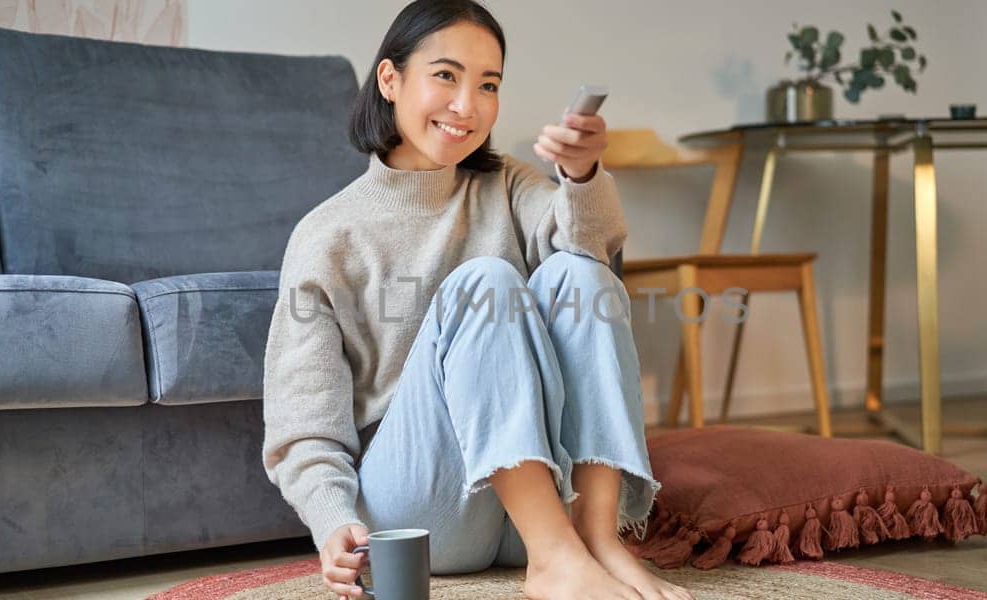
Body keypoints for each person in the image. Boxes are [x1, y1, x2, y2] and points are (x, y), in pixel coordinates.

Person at [261, 1, 690, 598]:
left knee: (582, 274)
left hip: (539, 499)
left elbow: (593, 244)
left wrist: (584, 173)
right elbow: (302, 428)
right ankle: (556, 560)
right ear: (390, 80)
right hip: (422, 514)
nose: (468, 105)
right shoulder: (327, 237)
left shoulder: (507, 185)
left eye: (488, 84)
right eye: (445, 75)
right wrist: (334, 522)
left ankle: (596, 543)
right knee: (483, 282)